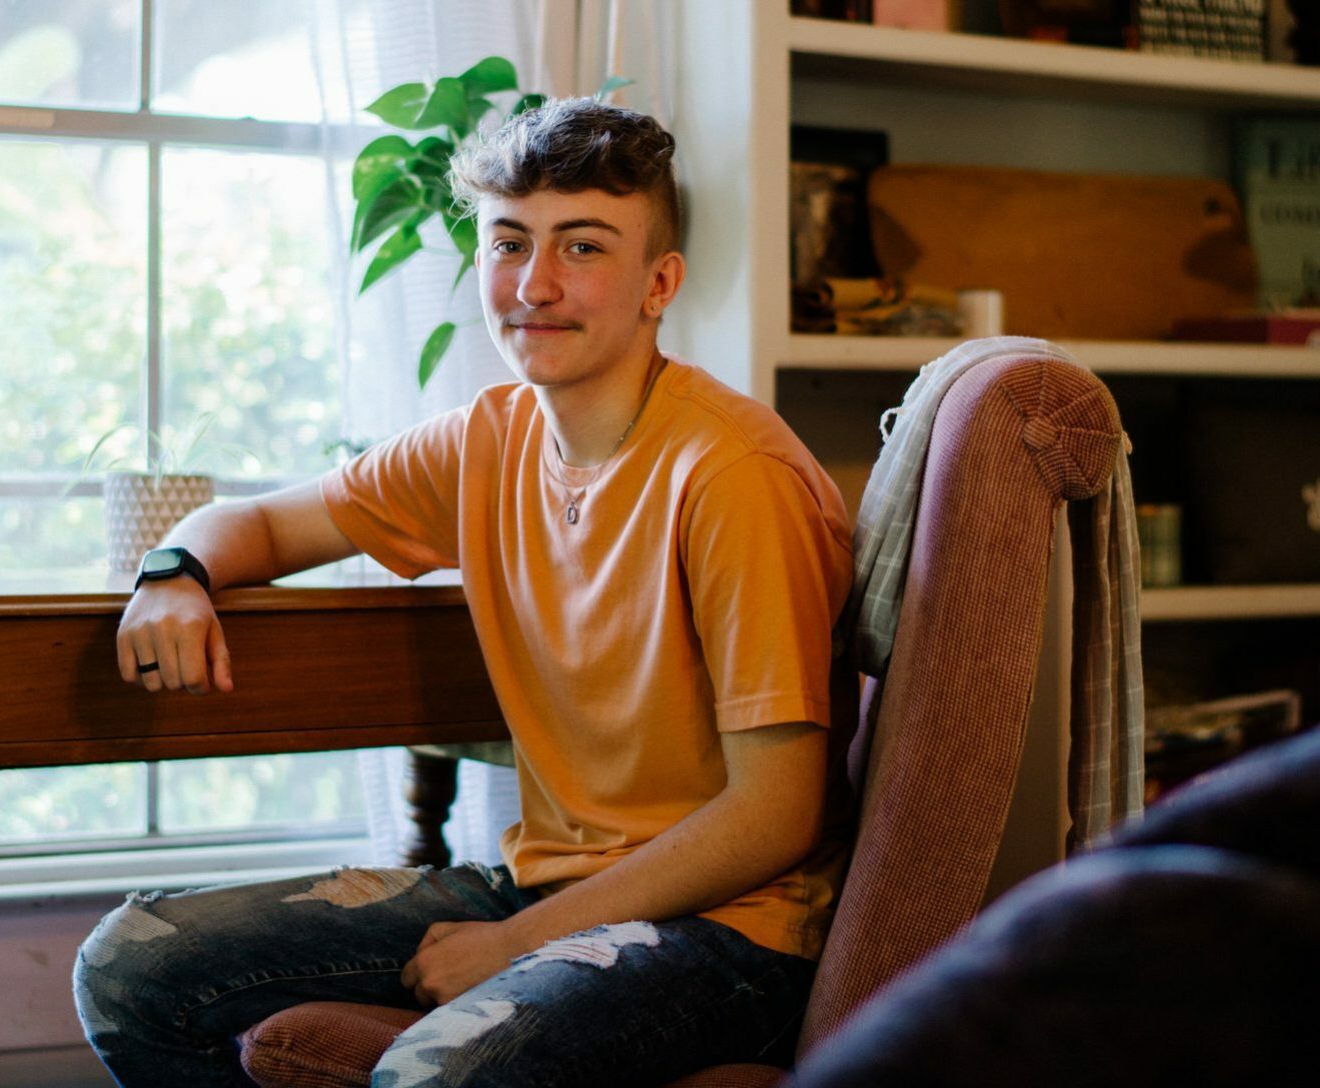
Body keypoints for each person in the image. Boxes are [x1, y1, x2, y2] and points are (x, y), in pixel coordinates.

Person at [73, 97, 856, 1088]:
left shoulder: (730, 473)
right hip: (542, 884)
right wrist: (172, 574)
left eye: (581, 248)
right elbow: (266, 523)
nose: (534, 284)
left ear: (659, 283)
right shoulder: (486, 440)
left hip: (729, 933)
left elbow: (774, 815)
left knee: (434, 1074)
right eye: (508, 242)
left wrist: (521, 940)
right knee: (131, 966)